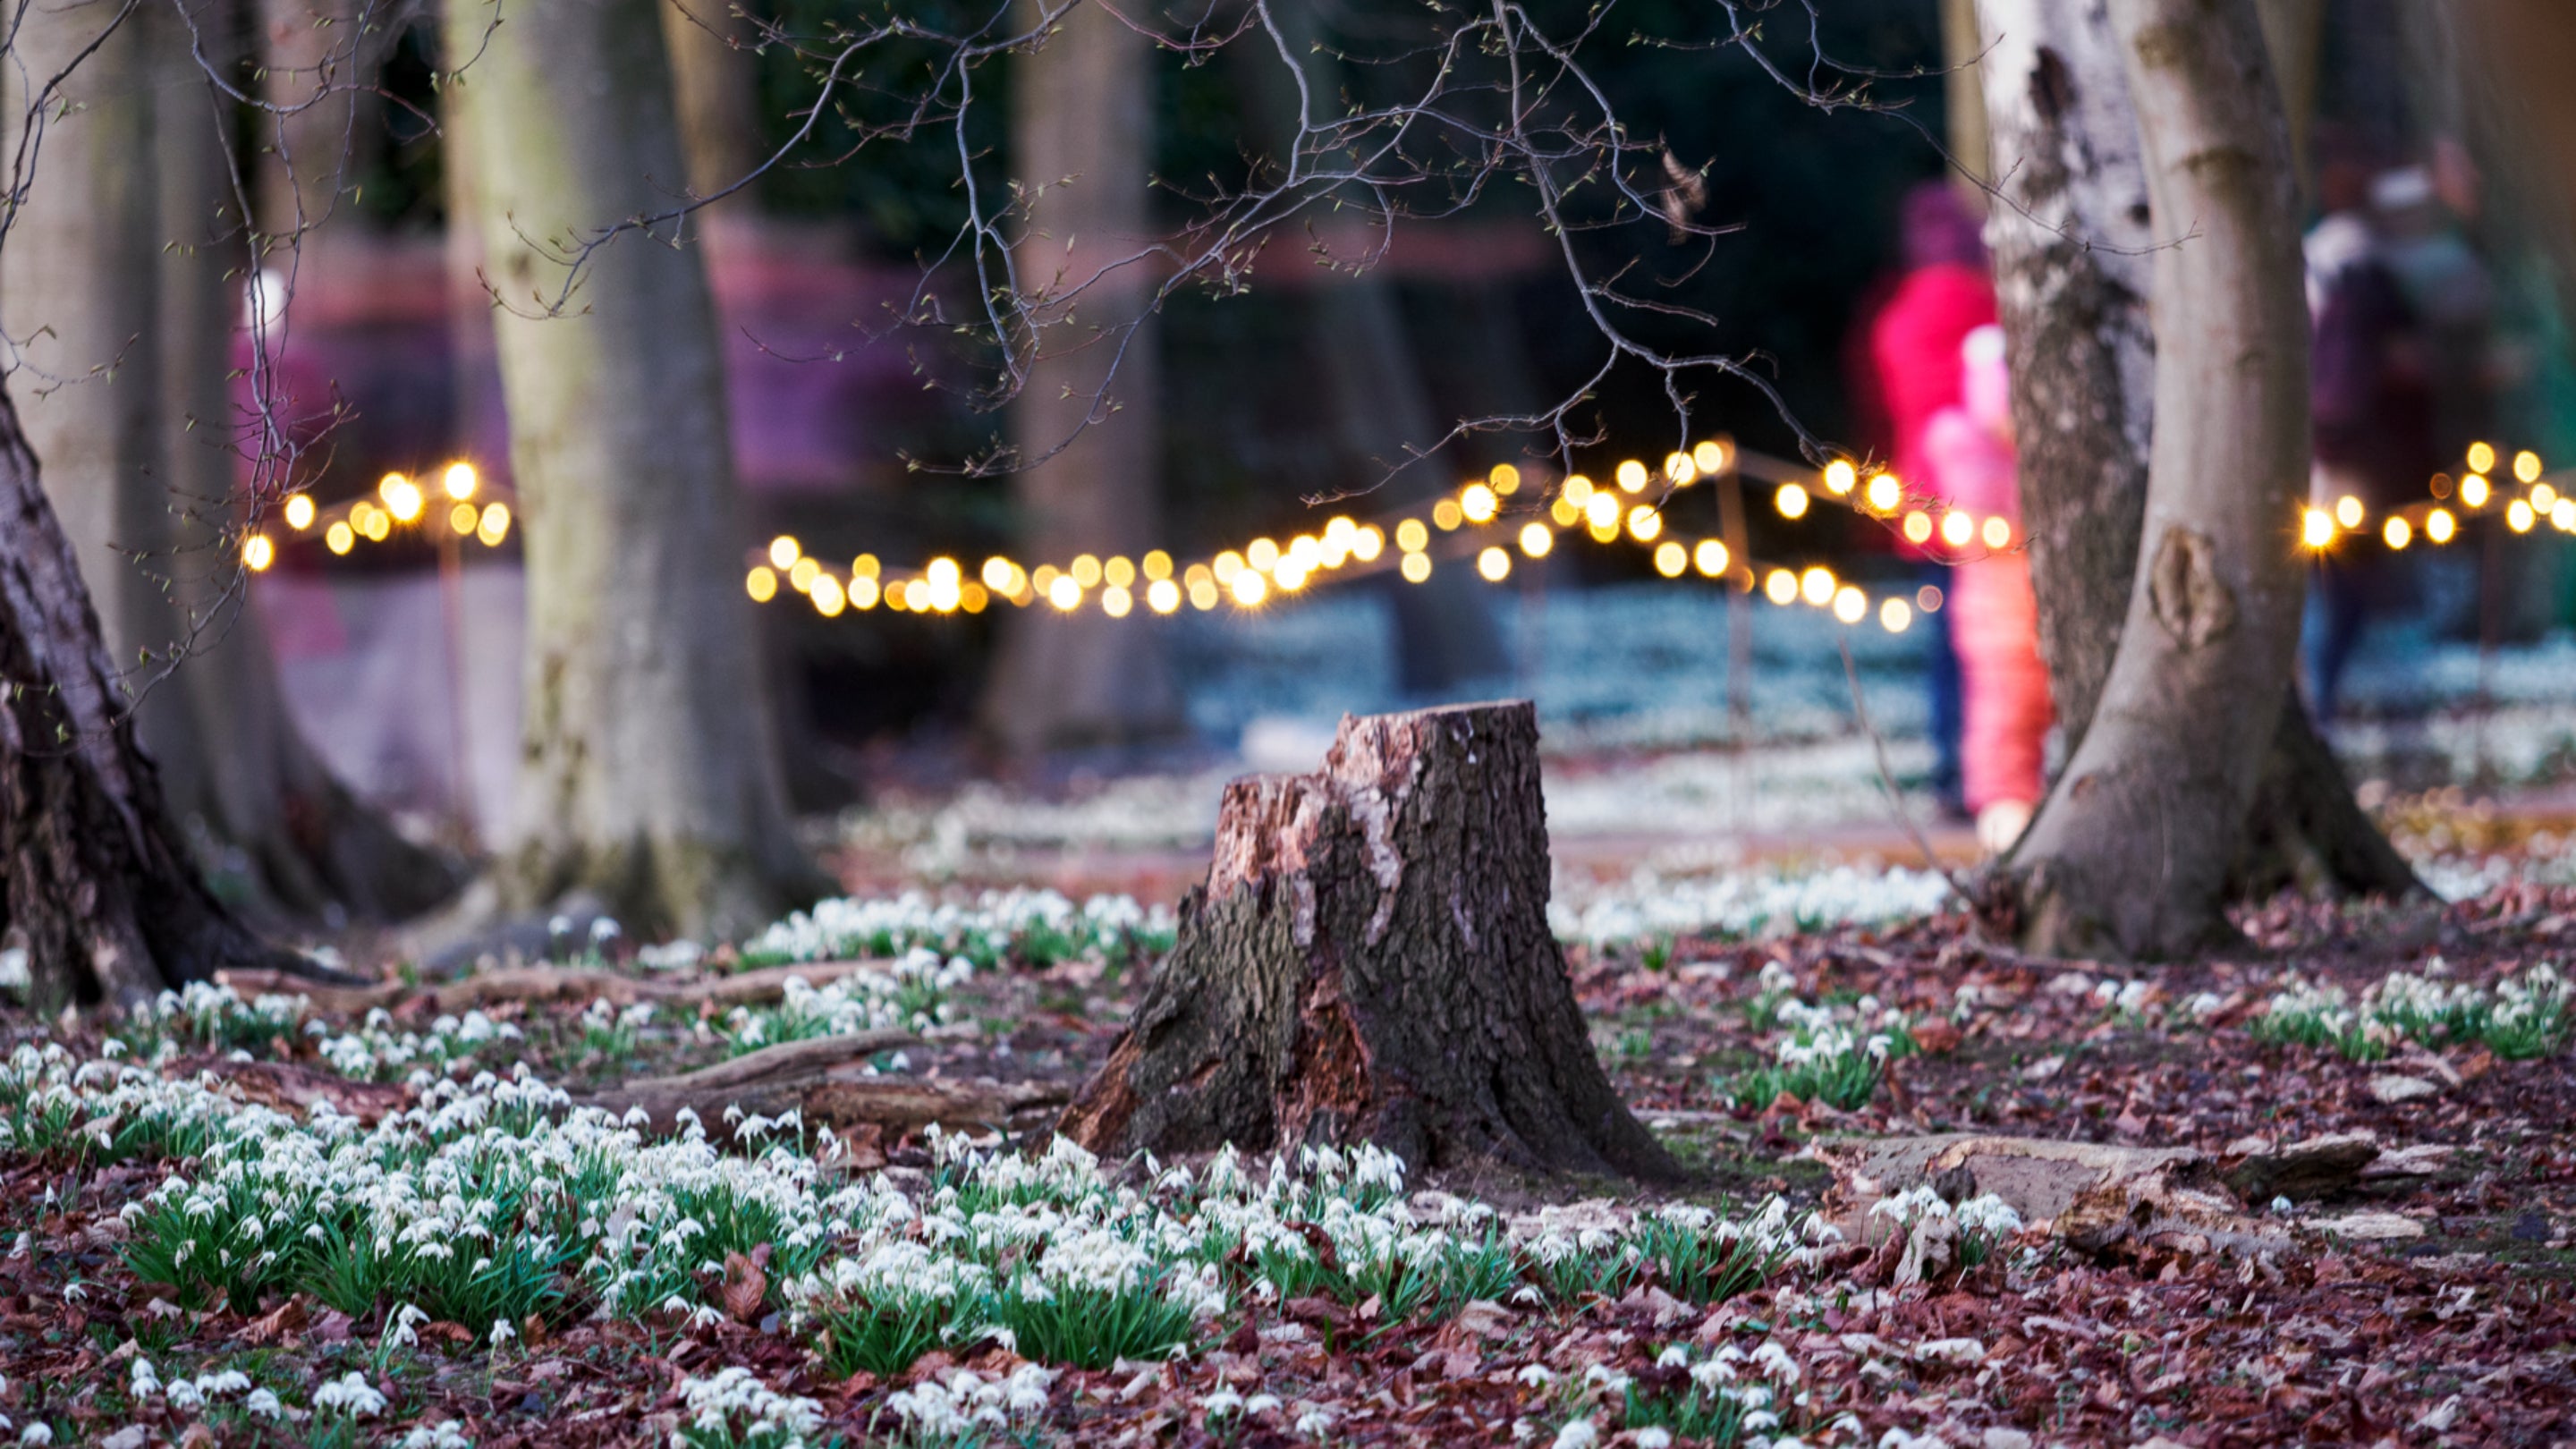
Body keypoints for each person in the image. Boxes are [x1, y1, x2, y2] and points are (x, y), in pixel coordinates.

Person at [1865, 182, 1992, 820]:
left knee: (1944, 644)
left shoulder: (1899, 320)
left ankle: (1950, 770)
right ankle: (1993, 771)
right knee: (2000, 645)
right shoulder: (1996, 309)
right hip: (1999, 504)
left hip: (1930, 507)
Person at [2303, 164, 2438, 722]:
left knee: (2333, 587)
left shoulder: (2311, 269)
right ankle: (2326, 697)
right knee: (2349, 591)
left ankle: (2325, 698)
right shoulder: (2367, 281)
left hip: (2325, 457)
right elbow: (2366, 378)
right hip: (2353, 462)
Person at [1923, 325, 2051, 853]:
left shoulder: (1956, 443)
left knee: (2002, 728)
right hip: (2014, 616)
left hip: (1994, 617)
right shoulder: (2030, 451)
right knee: (2007, 726)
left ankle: (2005, 819)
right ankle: (2007, 823)